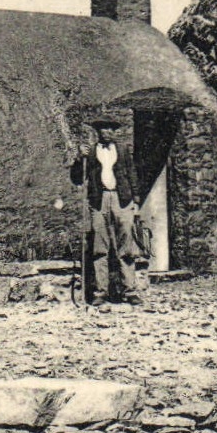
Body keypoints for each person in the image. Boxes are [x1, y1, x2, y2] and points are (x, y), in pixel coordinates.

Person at [69, 122, 146, 307]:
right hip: (99, 199)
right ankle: (100, 292)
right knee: (99, 247)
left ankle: (130, 291)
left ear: (115, 131)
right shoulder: (92, 152)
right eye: (103, 128)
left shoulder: (123, 150)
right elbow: (77, 178)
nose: (107, 132)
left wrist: (136, 201)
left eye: (111, 128)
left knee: (126, 246)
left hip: (122, 199)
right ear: (98, 132)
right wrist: (80, 158)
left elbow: (132, 174)